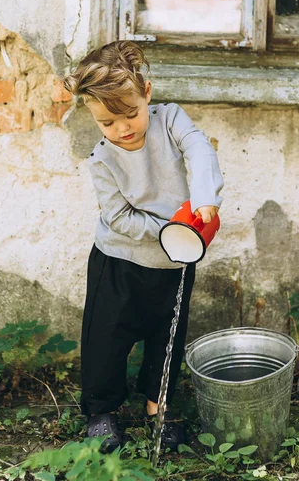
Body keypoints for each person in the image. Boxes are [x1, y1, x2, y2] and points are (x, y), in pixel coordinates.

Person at [64, 40, 223, 451]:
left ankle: (159, 407)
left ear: (146, 94)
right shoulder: (102, 159)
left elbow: (199, 149)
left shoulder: (170, 121)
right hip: (119, 259)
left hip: (176, 263)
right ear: (92, 117)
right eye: (107, 123)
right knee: (106, 338)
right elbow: (118, 218)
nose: (122, 129)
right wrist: (170, 230)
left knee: (166, 333)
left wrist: (205, 198)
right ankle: (102, 412)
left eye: (130, 114)